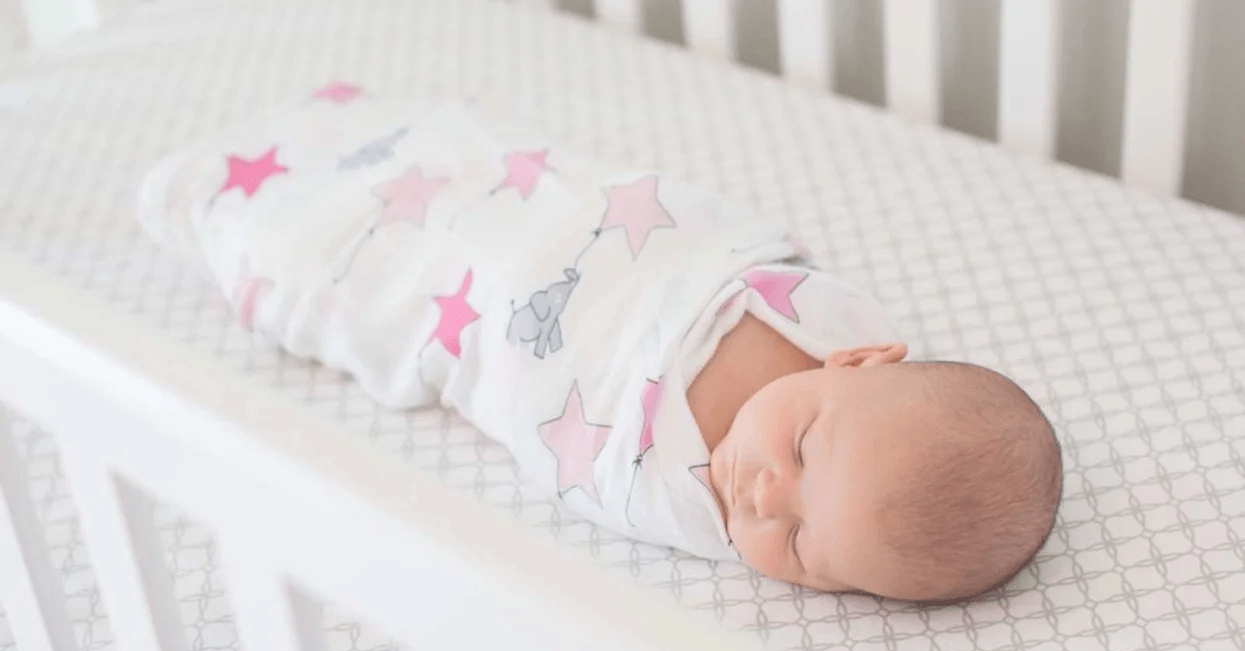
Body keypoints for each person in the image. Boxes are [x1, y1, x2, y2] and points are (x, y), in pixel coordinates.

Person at [138, 86, 1062, 603]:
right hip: (592, 234)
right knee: (477, 171)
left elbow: (567, 448)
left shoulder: (678, 500)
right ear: (859, 363)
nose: (764, 493)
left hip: (490, 316)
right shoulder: (826, 320)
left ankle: (217, 207)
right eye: (803, 447)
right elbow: (714, 243)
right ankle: (349, 130)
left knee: (340, 276)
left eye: (805, 544)